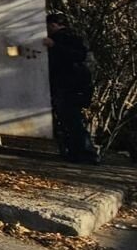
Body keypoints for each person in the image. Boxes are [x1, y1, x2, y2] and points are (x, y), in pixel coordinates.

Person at [43, 13, 100, 164]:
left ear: (53, 25)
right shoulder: (72, 37)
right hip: (72, 85)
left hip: (70, 86)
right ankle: (76, 152)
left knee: (72, 120)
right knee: (69, 120)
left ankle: (85, 153)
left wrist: (54, 46)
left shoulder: (66, 38)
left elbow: (78, 56)